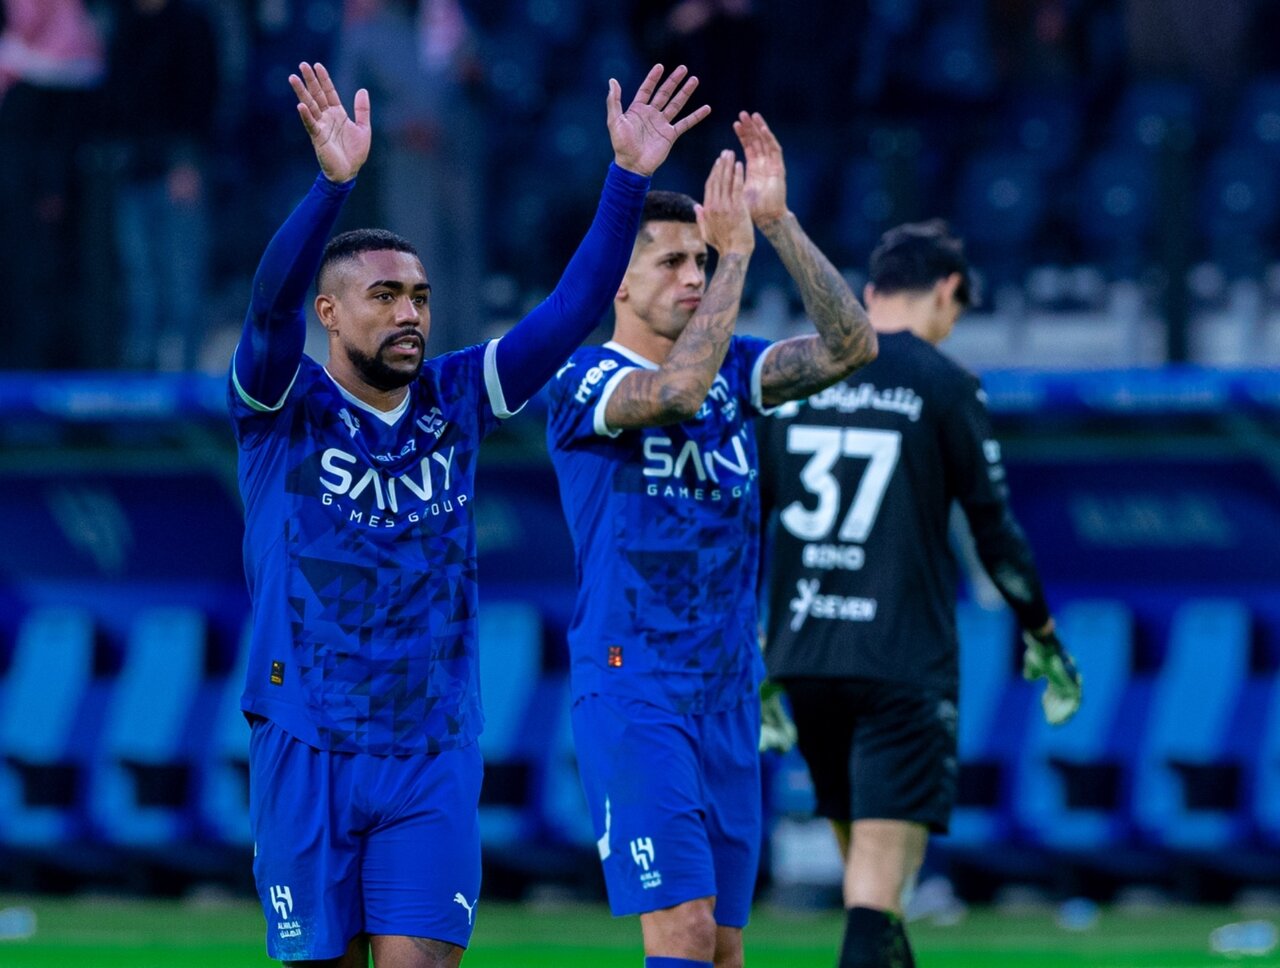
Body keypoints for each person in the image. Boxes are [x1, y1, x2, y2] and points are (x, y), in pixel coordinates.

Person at [228, 60, 708, 968]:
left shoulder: (457, 397)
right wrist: (333, 187)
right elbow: (267, 310)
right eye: (384, 297)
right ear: (330, 314)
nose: (410, 313)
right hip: (306, 737)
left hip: (431, 746)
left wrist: (626, 178)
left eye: (419, 296)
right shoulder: (282, 405)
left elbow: (569, 312)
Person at [545, 112, 878, 968]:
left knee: (725, 945)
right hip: (635, 688)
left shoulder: (735, 369)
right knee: (684, 930)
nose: (693, 274)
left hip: (728, 691)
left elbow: (853, 345)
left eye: (701, 259)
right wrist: (735, 259)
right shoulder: (585, 378)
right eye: (672, 262)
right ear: (617, 282)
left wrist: (778, 224)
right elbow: (677, 394)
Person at [757, 220, 1083, 968]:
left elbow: (750, 517)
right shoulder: (943, 382)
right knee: (876, 896)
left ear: (870, 291)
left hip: (807, 662)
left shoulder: (796, 377)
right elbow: (994, 529)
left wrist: (756, 645)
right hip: (899, 666)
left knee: (873, 895)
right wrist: (1042, 632)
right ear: (947, 292)